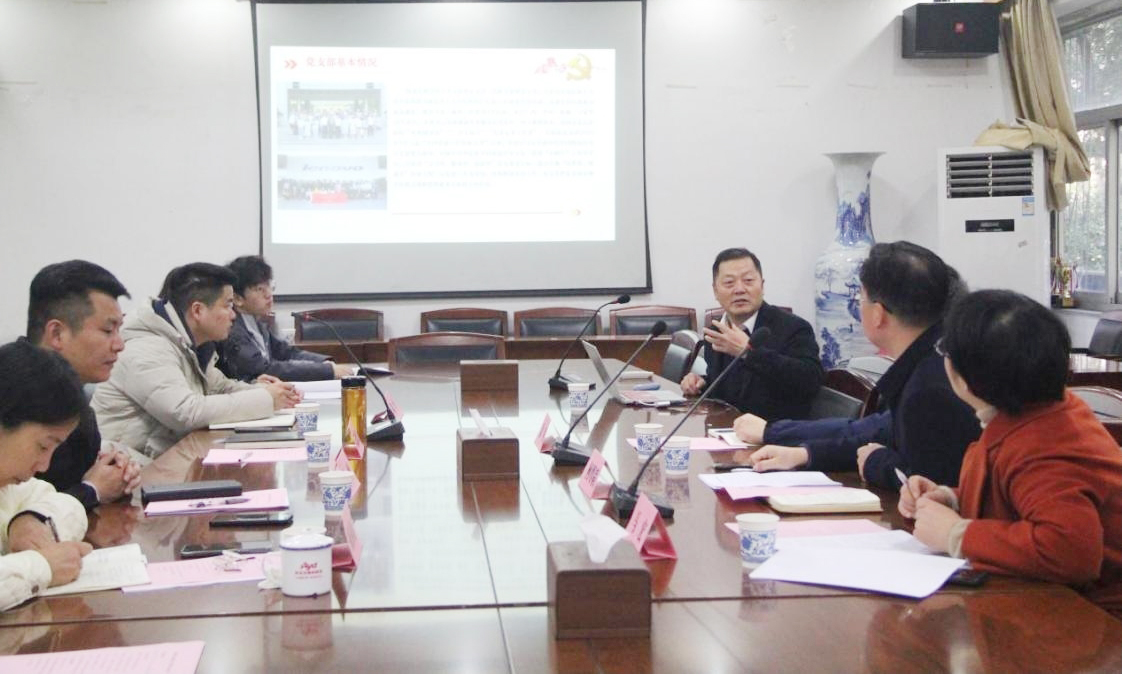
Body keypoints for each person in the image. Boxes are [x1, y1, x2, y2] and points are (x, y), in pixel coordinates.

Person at [899, 290, 1121, 616]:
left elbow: (1070, 553)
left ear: (965, 379)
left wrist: (956, 534)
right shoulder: (1039, 413)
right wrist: (951, 499)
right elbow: (1021, 497)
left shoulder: (1048, 447)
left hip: (1096, 622)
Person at [737, 241, 979, 489]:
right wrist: (806, 454)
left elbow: (930, 486)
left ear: (878, 314)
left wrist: (877, 463)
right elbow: (875, 432)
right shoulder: (930, 359)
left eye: (860, 297)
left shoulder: (932, 385)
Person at [92, 263, 302, 458]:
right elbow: (185, 412)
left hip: (169, 457)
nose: (233, 315)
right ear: (198, 310)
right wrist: (266, 399)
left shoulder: (191, 343)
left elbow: (220, 387)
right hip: (128, 467)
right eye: (228, 305)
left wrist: (268, 392)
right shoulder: (147, 348)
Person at [25, 261, 141, 510]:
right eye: (108, 330)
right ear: (57, 334)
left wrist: (113, 473)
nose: (119, 345)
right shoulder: (14, 397)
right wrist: (91, 490)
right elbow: (18, 514)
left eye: (119, 329)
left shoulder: (72, 393)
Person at [0, 341, 94, 612]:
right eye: (43, 446)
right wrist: (43, 567)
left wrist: (32, 520)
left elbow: (66, 504)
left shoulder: (8, 483)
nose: (44, 465)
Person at [680, 248, 823, 420]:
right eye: (729, 283)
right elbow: (730, 386)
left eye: (748, 280)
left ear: (762, 286)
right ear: (715, 291)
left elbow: (810, 380)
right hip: (725, 429)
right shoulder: (716, 332)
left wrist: (749, 353)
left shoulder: (793, 327)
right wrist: (701, 383)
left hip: (774, 431)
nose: (739, 289)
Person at [217, 256, 351, 382]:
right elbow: (264, 369)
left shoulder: (257, 322)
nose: (269, 294)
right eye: (260, 289)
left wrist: (323, 362)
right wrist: (325, 371)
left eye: (269, 286)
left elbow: (286, 353)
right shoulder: (232, 330)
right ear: (238, 299)